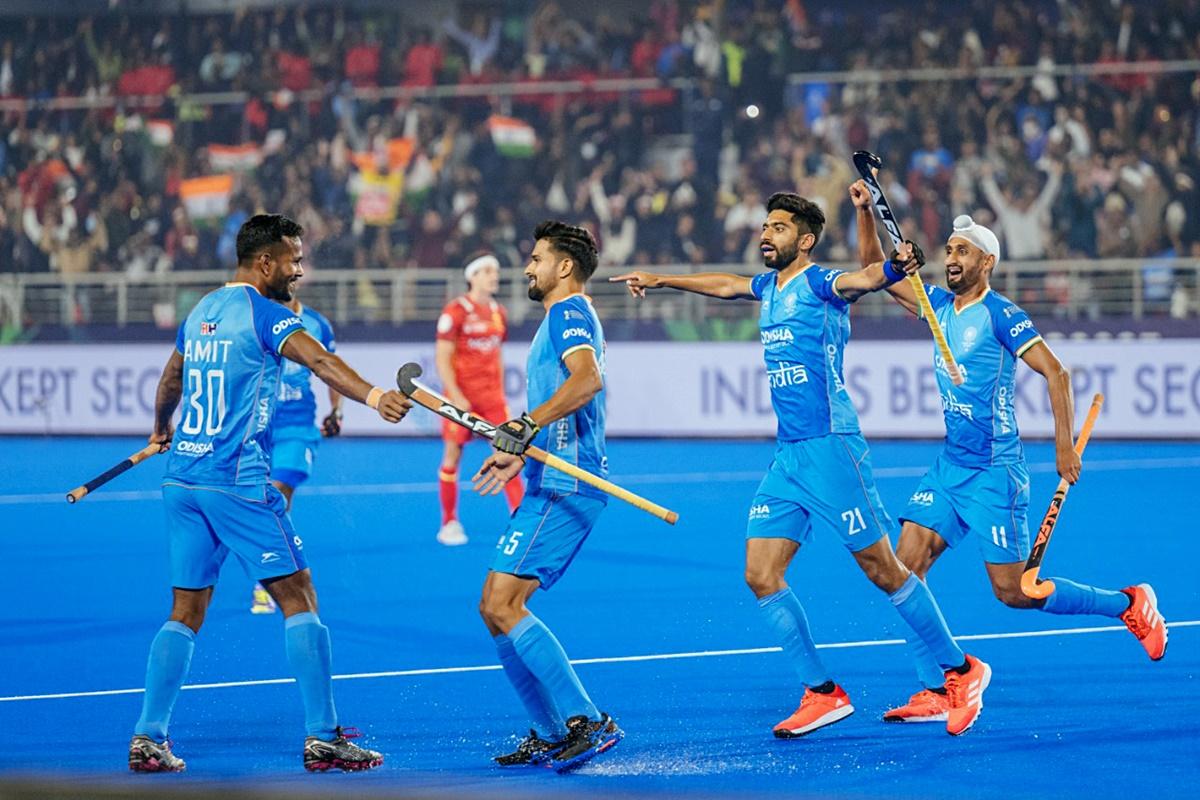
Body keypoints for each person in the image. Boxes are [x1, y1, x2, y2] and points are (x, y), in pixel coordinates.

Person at [612, 192, 991, 737]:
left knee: (883, 570)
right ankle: (822, 692)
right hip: (788, 456)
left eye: (779, 228)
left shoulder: (819, 284)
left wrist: (893, 266)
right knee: (760, 573)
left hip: (832, 449)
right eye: (765, 226)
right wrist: (663, 278)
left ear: (805, 240)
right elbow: (724, 284)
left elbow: (862, 281)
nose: (766, 234)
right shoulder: (768, 286)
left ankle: (960, 670)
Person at [847, 182, 1168, 724]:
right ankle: (936, 688)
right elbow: (874, 275)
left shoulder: (1000, 313)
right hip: (951, 466)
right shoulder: (936, 305)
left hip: (997, 473)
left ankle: (1129, 603)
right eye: (948, 250)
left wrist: (1064, 448)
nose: (951, 258)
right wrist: (863, 215)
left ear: (986, 260)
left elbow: (1057, 373)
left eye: (962, 251)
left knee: (1017, 591)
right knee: (906, 567)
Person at [128, 214, 412, 773]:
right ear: (265, 263)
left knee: (186, 609)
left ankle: (148, 737)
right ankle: (324, 736)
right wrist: (375, 395)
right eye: (293, 259)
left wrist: (161, 429)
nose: (299, 270)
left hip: (181, 479)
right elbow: (321, 361)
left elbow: (170, 380)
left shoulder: (202, 309)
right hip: (235, 481)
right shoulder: (266, 313)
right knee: (299, 596)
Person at [470, 221, 623, 771]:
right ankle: (550, 731)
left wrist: (524, 423)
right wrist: (520, 449)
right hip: (548, 475)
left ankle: (588, 720)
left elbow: (587, 381)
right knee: (493, 606)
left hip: (569, 483)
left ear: (564, 267)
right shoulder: (561, 317)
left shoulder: (569, 312)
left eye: (536, 258)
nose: (528, 267)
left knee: (503, 603)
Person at [251, 292, 342, 614]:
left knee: (277, 495)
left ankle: (271, 578)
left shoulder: (317, 324)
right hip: (259, 427)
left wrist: (337, 411)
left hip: (298, 427)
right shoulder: (257, 318)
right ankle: (273, 566)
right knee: (260, 503)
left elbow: (331, 369)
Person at [435, 254, 523, 546]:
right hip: (461, 399)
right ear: (472, 276)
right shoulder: (455, 311)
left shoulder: (499, 312)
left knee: (509, 454)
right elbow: (443, 357)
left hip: (492, 399)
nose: (493, 275)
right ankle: (449, 522)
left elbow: (497, 356)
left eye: (496, 271)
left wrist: (500, 395)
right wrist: (456, 394)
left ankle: (520, 520)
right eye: (487, 271)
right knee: (453, 456)